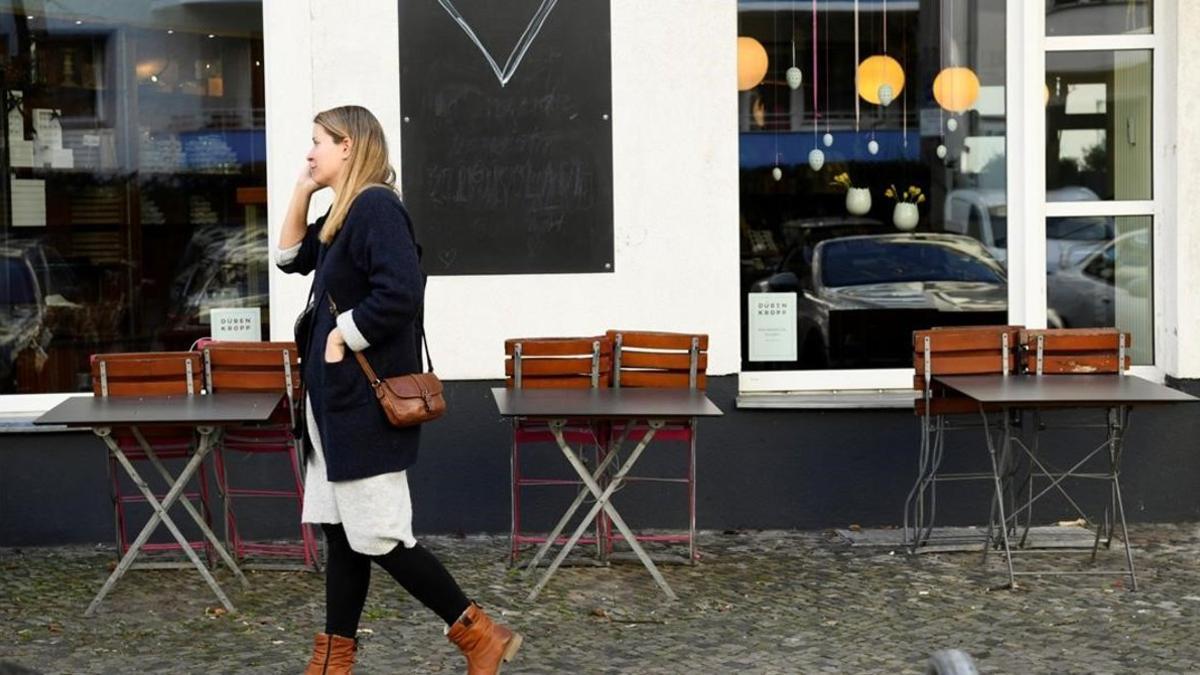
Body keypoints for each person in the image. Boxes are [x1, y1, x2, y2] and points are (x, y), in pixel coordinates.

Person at [276, 105, 522, 675]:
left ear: (349, 146)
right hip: (332, 407)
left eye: (318, 143)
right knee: (343, 535)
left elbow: (401, 292)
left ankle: (479, 634)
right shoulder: (345, 211)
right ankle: (334, 660)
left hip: (361, 408)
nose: (310, 152)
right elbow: (290, 258)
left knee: (382, 536)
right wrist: (302, 188)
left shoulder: (377, 208)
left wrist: (342, 333)